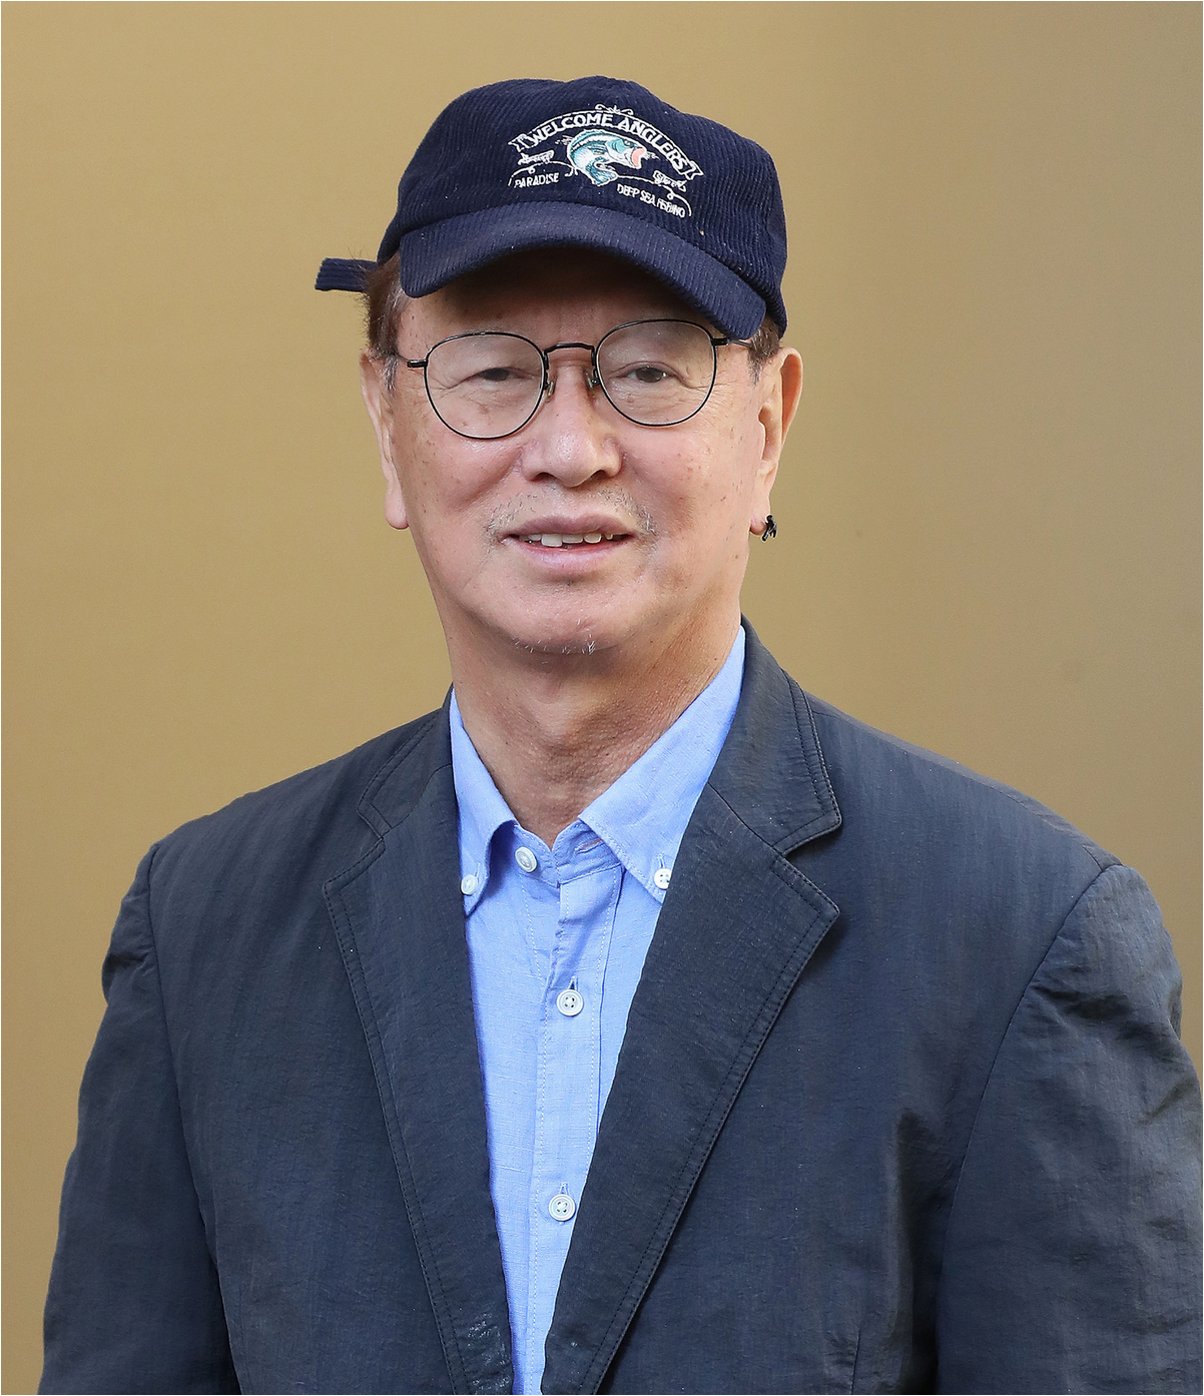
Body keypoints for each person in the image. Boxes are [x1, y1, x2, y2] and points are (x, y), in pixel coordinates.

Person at [41, 75, 1200, 1396]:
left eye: (648, 372)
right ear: (387, 424)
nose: (571, 447)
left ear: (769, 425)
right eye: (492, 371)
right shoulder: (206, 934)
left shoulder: (1020, 937)